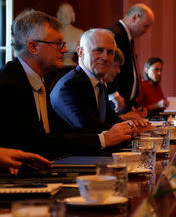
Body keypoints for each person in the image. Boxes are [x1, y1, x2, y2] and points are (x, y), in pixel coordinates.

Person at [0, 10, 126, 158]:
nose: (65, 50)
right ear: (33, 47)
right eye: (58, 44)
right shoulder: (9, 84)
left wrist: (108, 136)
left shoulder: (38, 80)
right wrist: (104, 139)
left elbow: (58, 134)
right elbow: (35, 143)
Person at [50, 29, 150, 147]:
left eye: (110, 52)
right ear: (80, 52)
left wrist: (133, 125)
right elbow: (89, 129)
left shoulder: (99, 84)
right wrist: (128, 129)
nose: (105, 57)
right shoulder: (69, 86)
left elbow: (109, 120)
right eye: (98, 50)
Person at [107, 4, 155, 113]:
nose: (146, 30)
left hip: (127, 102)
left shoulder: (128, 37)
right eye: (146, 25)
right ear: (134, 18)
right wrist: (113, 93)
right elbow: (106, 66)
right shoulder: (114, 33)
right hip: (117, 101)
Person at [104, 48, 147, 120]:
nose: (118, 71)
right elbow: (98, 127)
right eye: (115, 66)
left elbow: (108, 120)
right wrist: (124, 117)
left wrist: (128, 115)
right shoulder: (99, 87)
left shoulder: (103, 86)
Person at [56, 3, 84, 68]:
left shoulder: (80, 33)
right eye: (63, 13)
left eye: (69, 13)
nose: (66, 16)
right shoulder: (55, 33)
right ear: (59, 15)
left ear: (73, 15)